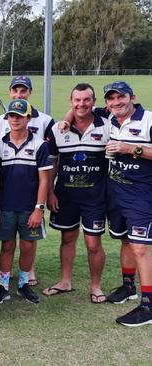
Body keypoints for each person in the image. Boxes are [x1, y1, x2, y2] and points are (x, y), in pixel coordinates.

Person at [43, 83, 108, 302]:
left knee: (93, 243)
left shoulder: (106, 126)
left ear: (94, 102)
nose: (82, 104)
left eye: (87, 99)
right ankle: (65, 281)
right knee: (67, 238)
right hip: (66, 196)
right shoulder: (57, 129)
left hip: (95, 197)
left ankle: (96, 286)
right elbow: (51, 164)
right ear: (71, 102)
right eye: (77, 100)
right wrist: (50, 192)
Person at [96, 81, 152, 326]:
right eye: (111, 98)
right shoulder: (109, 117)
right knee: (125, 240)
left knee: (140, 247)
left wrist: (133, 149)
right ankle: (129, 287)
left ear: (132, 97)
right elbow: (78, 109)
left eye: (121, 97)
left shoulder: (148, 120)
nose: (116, 102)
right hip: (115, 191)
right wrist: (66, 120)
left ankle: (148, 305)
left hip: (141, 193)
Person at [0, 76, 54, 286]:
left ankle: (24, 283)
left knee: (27, 245)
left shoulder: (39, 145)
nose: (15, 120)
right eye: (11, 116)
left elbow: (44, 179)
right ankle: (4, 285)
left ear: (28, 118)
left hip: (29, 206)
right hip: (6, 206)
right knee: (7, 245)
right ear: (7, 118)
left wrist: (39, 208)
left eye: (19, 116)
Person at [0, 76, 54, 141]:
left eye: (23, 91)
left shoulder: (46, 121)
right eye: (15, 91)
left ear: (30, 92)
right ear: (10, 92)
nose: (18, 95)